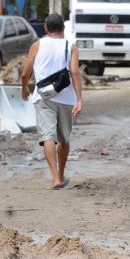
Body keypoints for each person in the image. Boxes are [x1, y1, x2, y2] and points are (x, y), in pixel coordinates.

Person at [20, 14, 83, 189]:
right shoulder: (71, 47)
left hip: (43, 96)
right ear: (63, 28)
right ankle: (62, 176)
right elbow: (75, 73)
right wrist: (79, 99)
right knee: (64, 138)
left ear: (46, 28)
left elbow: (25, 73)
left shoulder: (37, 45)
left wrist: (24, 88)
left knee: (48, 136)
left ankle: (55, 178)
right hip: (66, 98)